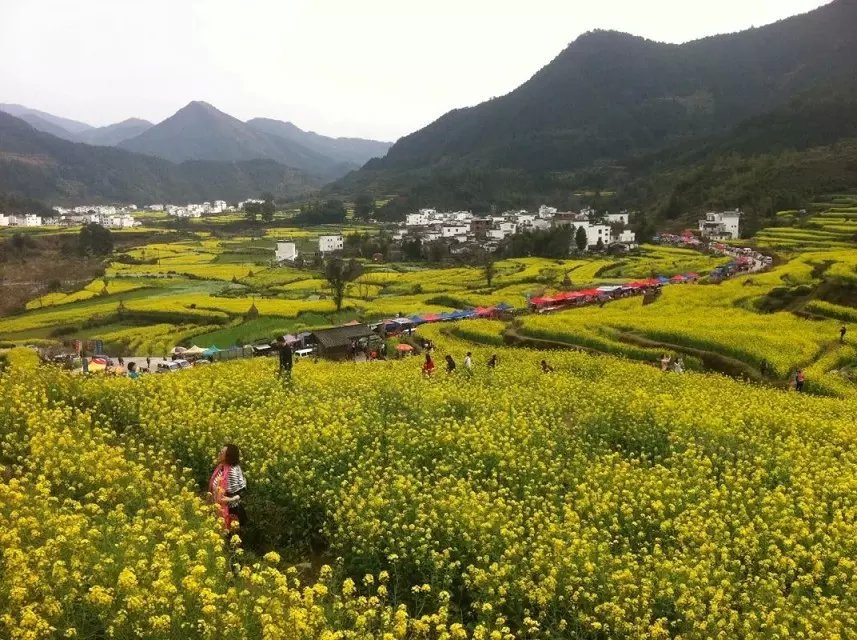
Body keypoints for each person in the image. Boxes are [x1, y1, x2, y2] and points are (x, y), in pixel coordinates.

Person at [208, 444, 247, 533]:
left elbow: (242, 493)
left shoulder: (233, 470)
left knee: (228, 536)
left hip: (231, 511)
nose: (219, 453)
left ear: (229, 456)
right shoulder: (221, 467)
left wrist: (230, 499)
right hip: (218, 508)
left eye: (222, 452)